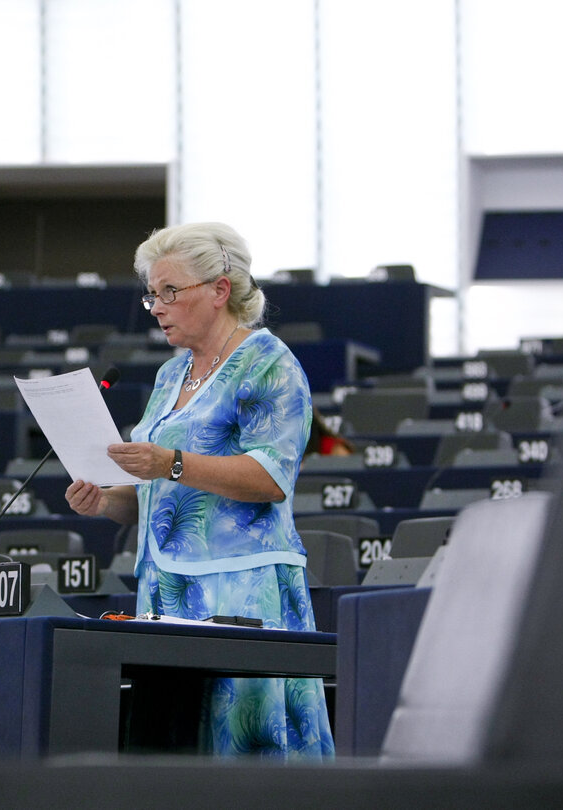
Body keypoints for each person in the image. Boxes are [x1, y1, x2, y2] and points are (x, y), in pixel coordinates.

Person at [65, 221, 334, 758]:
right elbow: (154, 494)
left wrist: (171, 463)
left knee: (241, 752)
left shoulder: (268, 361)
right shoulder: (171, 376)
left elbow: (270, 479)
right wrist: (108, 501)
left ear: (219, 290)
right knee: (170, 757)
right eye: (152, 295)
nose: (158, 307)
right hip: (164, 592)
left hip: (239, 592)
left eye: (170, 292)